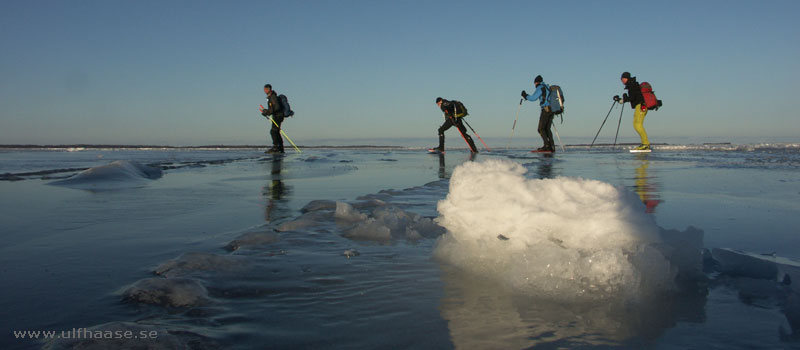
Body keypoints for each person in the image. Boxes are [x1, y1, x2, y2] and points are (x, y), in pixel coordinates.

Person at [614, 72, 650, 151]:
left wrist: (623, 99)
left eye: (622, 79)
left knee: (637, 125)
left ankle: (645, 144)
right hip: (640, 105)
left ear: (626, 78)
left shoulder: (632, 85)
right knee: (636, 124)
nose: (622, 81)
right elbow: (634, 97)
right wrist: (624, 99)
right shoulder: (632, 85)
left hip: (641, 105)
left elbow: (633, 97)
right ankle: (645, 144)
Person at [521, 75, 555, 152]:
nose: (534, 85)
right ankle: (552, 147)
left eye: (534, 83)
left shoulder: (540, 87)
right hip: (552, 109)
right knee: (547, 129)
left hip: (546, 109)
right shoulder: (547, 87)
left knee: (541, 129)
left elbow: (533, 98)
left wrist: (525, 95)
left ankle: (546, 146)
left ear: (536, 82)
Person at [261, 84, 286, 153]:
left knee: (273, 131)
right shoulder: (270, 97)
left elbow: (276, 107)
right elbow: (272, 108)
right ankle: (280, 147)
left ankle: (276, 147)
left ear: (269, 89)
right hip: (276, 115)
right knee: (276, 131)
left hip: (278, 116)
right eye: (264, 89)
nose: (264, 91)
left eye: (265, 89)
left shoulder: (273, 97)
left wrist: (267, 112)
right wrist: (266, 112)